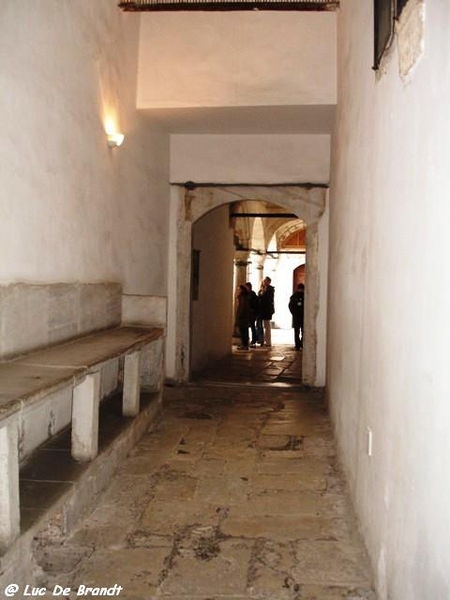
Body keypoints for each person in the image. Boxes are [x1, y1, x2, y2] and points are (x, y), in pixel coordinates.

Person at [258, 276, 275, 347]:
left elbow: (268, 299)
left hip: (267, 310)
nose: (264, 282)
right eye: (264, 281)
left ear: (269, 282)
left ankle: (268, 342)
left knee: (267, 326)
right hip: (261, 310)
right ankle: (262, 340)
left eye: (266, 281)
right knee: (261, 326)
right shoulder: (261, 289)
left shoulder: (270, 289)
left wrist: (263, 293)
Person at [289, 283, 305, 350]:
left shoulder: (305, 296)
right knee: (297, 332)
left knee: (303, 331)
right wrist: (294, 313)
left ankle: (302, 343)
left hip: (302, 317)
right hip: (297, 317)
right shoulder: (294, 296)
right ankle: (298, 345)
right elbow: (290, 306)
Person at [235, 284, 250, 350]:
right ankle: (244, 344)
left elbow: (243, 307)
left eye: (239, 289)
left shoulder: (243, 297)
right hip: (244, 317)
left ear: (242, 290)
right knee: (244, 331)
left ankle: (245, 345)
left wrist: (239, 315)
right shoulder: (244, 297)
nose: (238, 290)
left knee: (243, 331)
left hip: (243, 317)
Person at [245, 282, 259, 347]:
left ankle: (254, 340)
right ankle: (249, 340)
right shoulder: (247, 294)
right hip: (248, 313)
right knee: (248, 327)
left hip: (252, 313)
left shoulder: (252, 295)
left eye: (246, 287)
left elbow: (255, 304)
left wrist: (252, 310)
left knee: (252, 327)